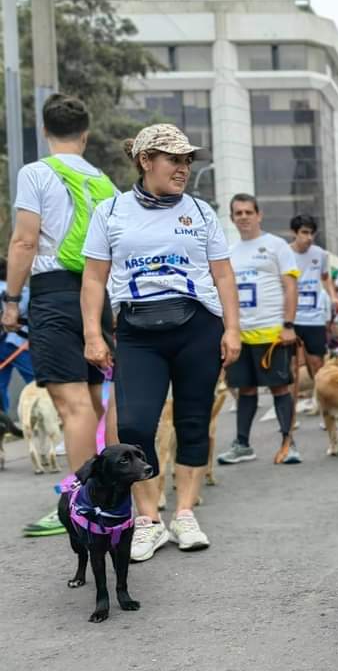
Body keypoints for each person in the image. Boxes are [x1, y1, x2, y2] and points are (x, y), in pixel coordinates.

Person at [81, 123, 241, 562]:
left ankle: (185, 513)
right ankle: (148, 519)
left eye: (188, 160)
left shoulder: (202, 212)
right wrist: (93, 333)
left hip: (197, 326)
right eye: (174, 159)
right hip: (136, 330)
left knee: (193, 423)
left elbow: (223, 273)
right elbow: (94, 278)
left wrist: (231, 328)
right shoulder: (110, 212)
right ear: (145, 160)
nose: (183, 168)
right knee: (133, 425)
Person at [1, 93, 117, 537]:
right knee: (91, 398)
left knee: (71, 405)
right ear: (85, 135)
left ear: (45, 132)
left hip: (54, 293)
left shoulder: (36, 172)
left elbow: (24, 241)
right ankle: (103, 497)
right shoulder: (104, 180)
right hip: (97, 292)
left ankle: (79, 500)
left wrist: (12, 300)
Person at [216, 194, 301, 467]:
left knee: (279, 388)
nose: (243, 217)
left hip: (272, 332)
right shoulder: (228, 251)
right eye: (238, 213)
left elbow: (290, 287)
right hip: (240, 333)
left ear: (259, 214)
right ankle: (242, 444)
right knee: (245, 390)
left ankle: (289, 443)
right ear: (232, 218)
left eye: (248, 212)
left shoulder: (276, 246)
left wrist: (288, 325)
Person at [288, 214, 338, 394]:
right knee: (292, 365)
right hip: (291, 317)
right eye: (304, 232)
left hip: (314, 317)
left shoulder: (321, 254)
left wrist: (334, 296)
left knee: (317, 362)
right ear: (294, 232)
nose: (308, 237)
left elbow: (326, 279)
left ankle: (320, 401)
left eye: (312, 233)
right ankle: (290, 412)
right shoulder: (284, 253)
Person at [0, 260, 33, 413]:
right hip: (17, 342)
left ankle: (3, 423)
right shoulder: (20, 291)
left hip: (5, 342)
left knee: (0, 386)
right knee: (37, 381)